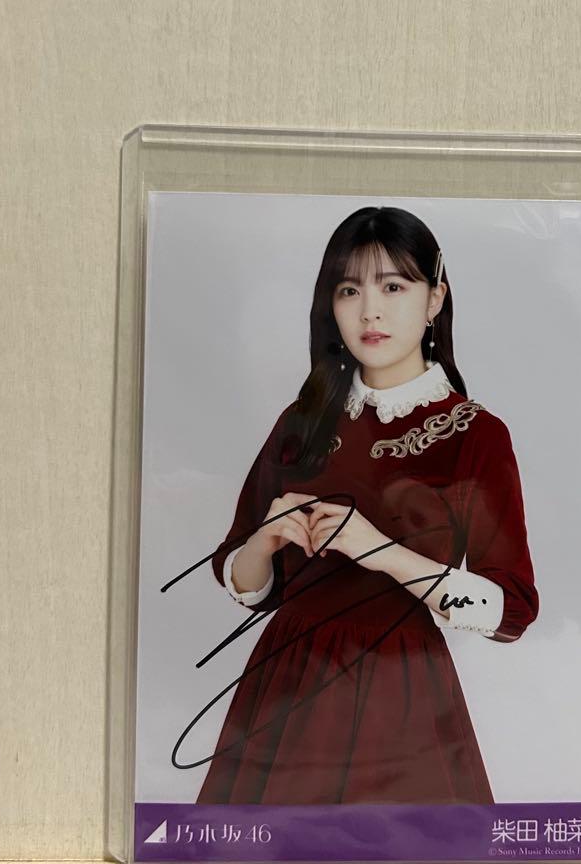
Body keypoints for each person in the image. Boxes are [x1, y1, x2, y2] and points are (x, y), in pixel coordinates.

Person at [195, 205, 539, 805]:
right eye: (349, 289)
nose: (369, 311)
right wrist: (264, 540)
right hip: (284, 686)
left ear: (435, 299)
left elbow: (509, 610)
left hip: (402, 692)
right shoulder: (301, 422)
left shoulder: (475, 435)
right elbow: (242, 580)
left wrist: (381, 552)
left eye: (394, 287)